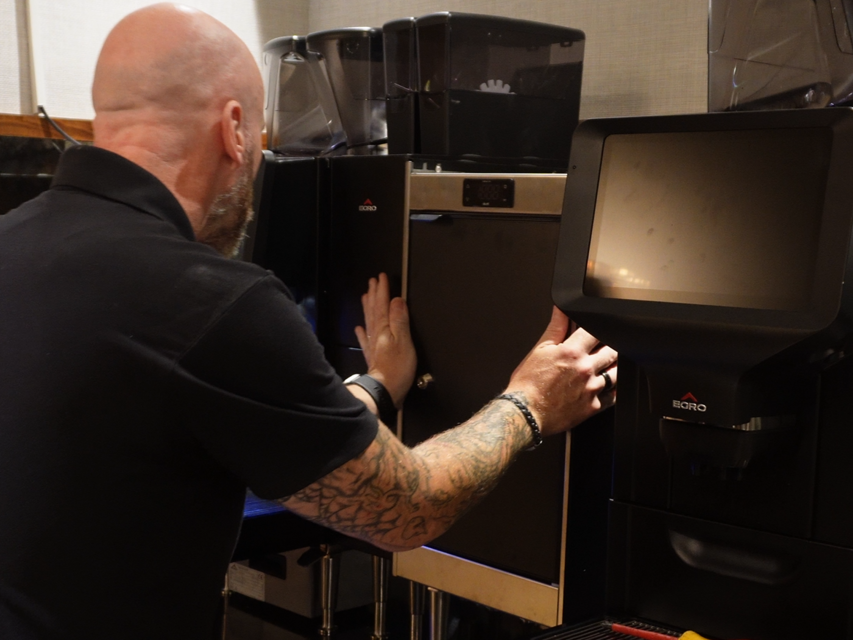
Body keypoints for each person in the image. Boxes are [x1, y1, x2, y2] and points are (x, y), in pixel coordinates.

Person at [0, 4, 617, 639]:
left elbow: (253, 419)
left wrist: (378, 385)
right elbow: (407, 510)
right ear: (234, 130)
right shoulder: (209, 299)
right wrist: (531, 402)